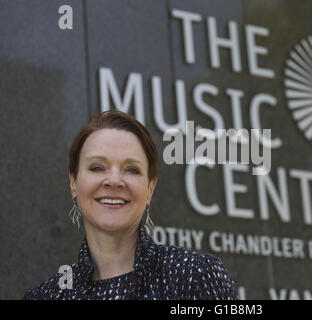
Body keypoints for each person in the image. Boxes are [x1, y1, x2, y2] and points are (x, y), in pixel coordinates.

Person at [23, 110, 238, 300]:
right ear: (73, 183)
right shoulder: (46, 295)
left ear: (150, 189)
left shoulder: (195, 277)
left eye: (132, 169)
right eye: (97, 167)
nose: (114, 181)